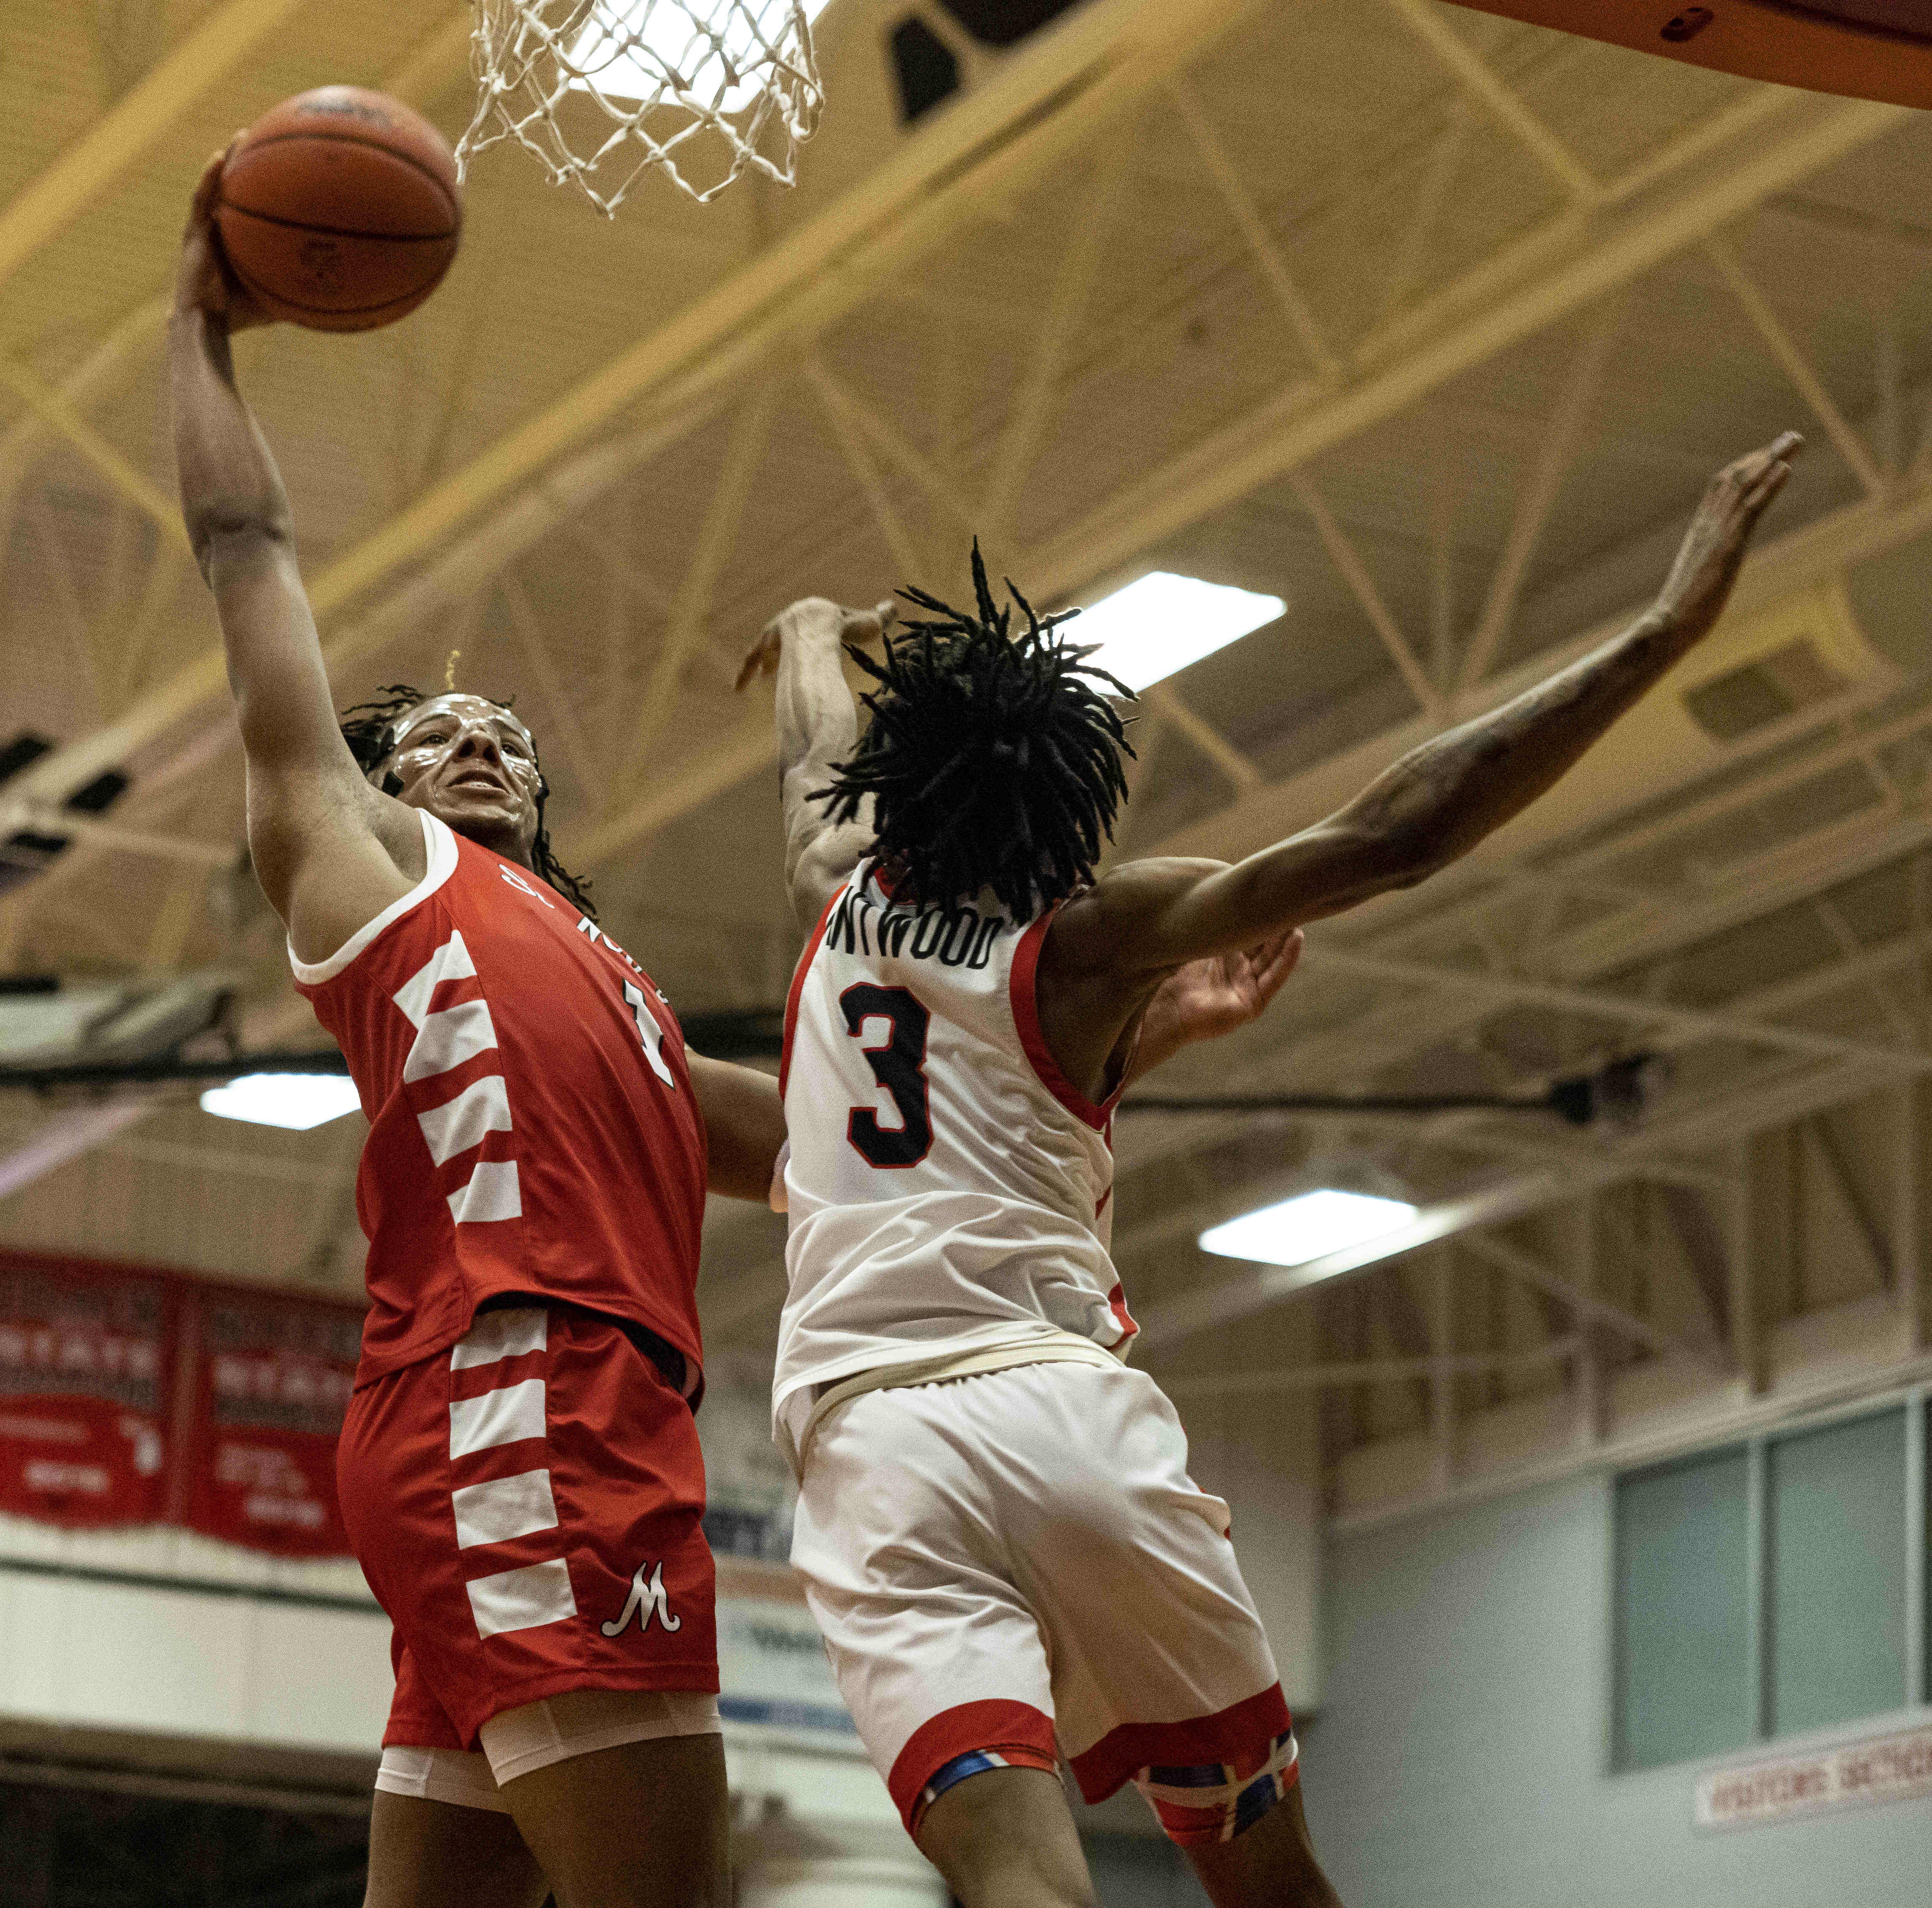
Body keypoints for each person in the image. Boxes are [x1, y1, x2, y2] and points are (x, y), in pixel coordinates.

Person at [171, 142, 1319, 1908]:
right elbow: (248, 550)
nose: (474, 737)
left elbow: (848, 1141)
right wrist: (205, 326)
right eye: (432, 731)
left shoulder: (603, 978)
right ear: (380, 781)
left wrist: (1138, 1040)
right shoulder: (369, 872)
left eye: (504, 727)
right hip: (527, 1395)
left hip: (547, 1410)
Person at [744, 431, 1804, 1908]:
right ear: (1065, 816)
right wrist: (1660, 633)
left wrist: (809, 635)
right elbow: (1397, 833)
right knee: (1272, 1882)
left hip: (871, 1442)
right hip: (1061, 1414)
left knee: (1018, 1882)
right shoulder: (1089, 939)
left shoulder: (833, 894)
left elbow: (812, 771)